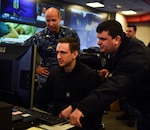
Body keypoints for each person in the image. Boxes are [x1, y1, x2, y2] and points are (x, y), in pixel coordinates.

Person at [69, 20, 150, 130]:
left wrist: (83, 107)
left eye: (103, 39)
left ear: (117, 39)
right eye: (98, 38)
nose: (98, 42)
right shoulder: (120, 48)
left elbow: (114, 86)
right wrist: (107, 67)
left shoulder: (136, 55)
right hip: (143, 107)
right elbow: (115, 60)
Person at [34, 37, 105, 130]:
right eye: (57, 52)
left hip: (81, 124)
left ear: (75, 54)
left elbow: (95, 104)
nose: (58, 57)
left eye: (63, 52)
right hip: (58, 122)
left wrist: (74, 107)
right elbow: (44, 95)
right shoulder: (55, 73)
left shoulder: (89, 76)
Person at [23, 7, 79, 89]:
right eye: (48, 21)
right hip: (47, 79)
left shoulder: (70, 34)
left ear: (60, 19)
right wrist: (35, 68)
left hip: (68, 77)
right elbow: (22, 51)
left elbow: (77, 53)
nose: (51, 24)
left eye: (53, 20)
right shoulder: (39, 36)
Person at [116, 24, 144, 127]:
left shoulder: (138, 44)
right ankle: (126, 113)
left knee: (132, 98)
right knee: (124, 98)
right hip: (124, 74)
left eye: (130, 31)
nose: (127, 33)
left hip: (133, 77)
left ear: (135, 32)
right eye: (126, 31)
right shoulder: (125, 44)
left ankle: (132, 117)